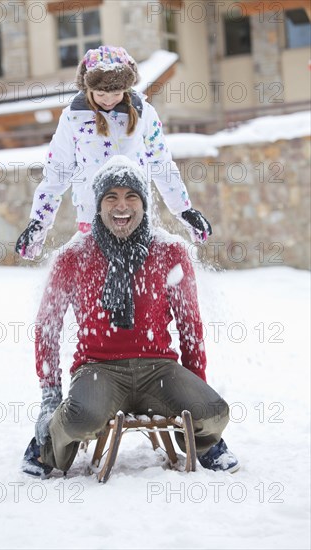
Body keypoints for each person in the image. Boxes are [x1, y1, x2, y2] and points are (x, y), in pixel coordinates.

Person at [22, 155, 238, 478]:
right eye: (111, 197)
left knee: (214, 411)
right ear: (98, 205)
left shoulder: (170, 252)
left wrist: (195, 387)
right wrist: (50, 398)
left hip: (159, 368)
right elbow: (47, 327)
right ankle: (46, 447)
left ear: (144, 204)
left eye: (130, 197)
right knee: (81, 416)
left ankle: (204, 443)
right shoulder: (74, 255)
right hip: (99, 368)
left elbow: (190, 326)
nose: (121, 206)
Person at [15, 45, 212, 260]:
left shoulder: (144, 113)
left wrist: (183, 209)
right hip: (92, 217)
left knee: (140, 276)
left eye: (116, 94)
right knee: (96, 279)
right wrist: (39, 222)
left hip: (135, 215)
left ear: (127, 89)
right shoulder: (73, 117)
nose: (108, 101)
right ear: (87, 88)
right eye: (100, 94)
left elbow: (161, 163)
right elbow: (57, 172)